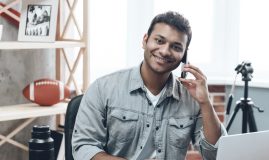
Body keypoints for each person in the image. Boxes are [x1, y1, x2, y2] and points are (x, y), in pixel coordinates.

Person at [72, 11, 227, 160]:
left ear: (184, 55)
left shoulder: (191, 97)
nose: (165, 51)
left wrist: (205, 103)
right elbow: (84, 148)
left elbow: (216, 155)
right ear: (145, 40)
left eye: (176, 47)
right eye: (159, 41)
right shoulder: (102, 88)